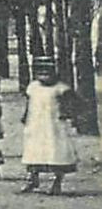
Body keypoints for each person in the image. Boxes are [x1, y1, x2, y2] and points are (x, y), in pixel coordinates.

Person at [19, 55, 81, 196]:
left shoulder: (61, 88)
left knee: (55, 151)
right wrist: (25, 116)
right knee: (34, 149)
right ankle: (32, 179)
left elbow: (74, 103)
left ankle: (56, 182)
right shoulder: (33, 87)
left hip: (54, 126)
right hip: (36, 123)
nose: (44, 76)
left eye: (48, 73)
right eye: (41, 73)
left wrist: (68, 113)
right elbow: (29, 104)